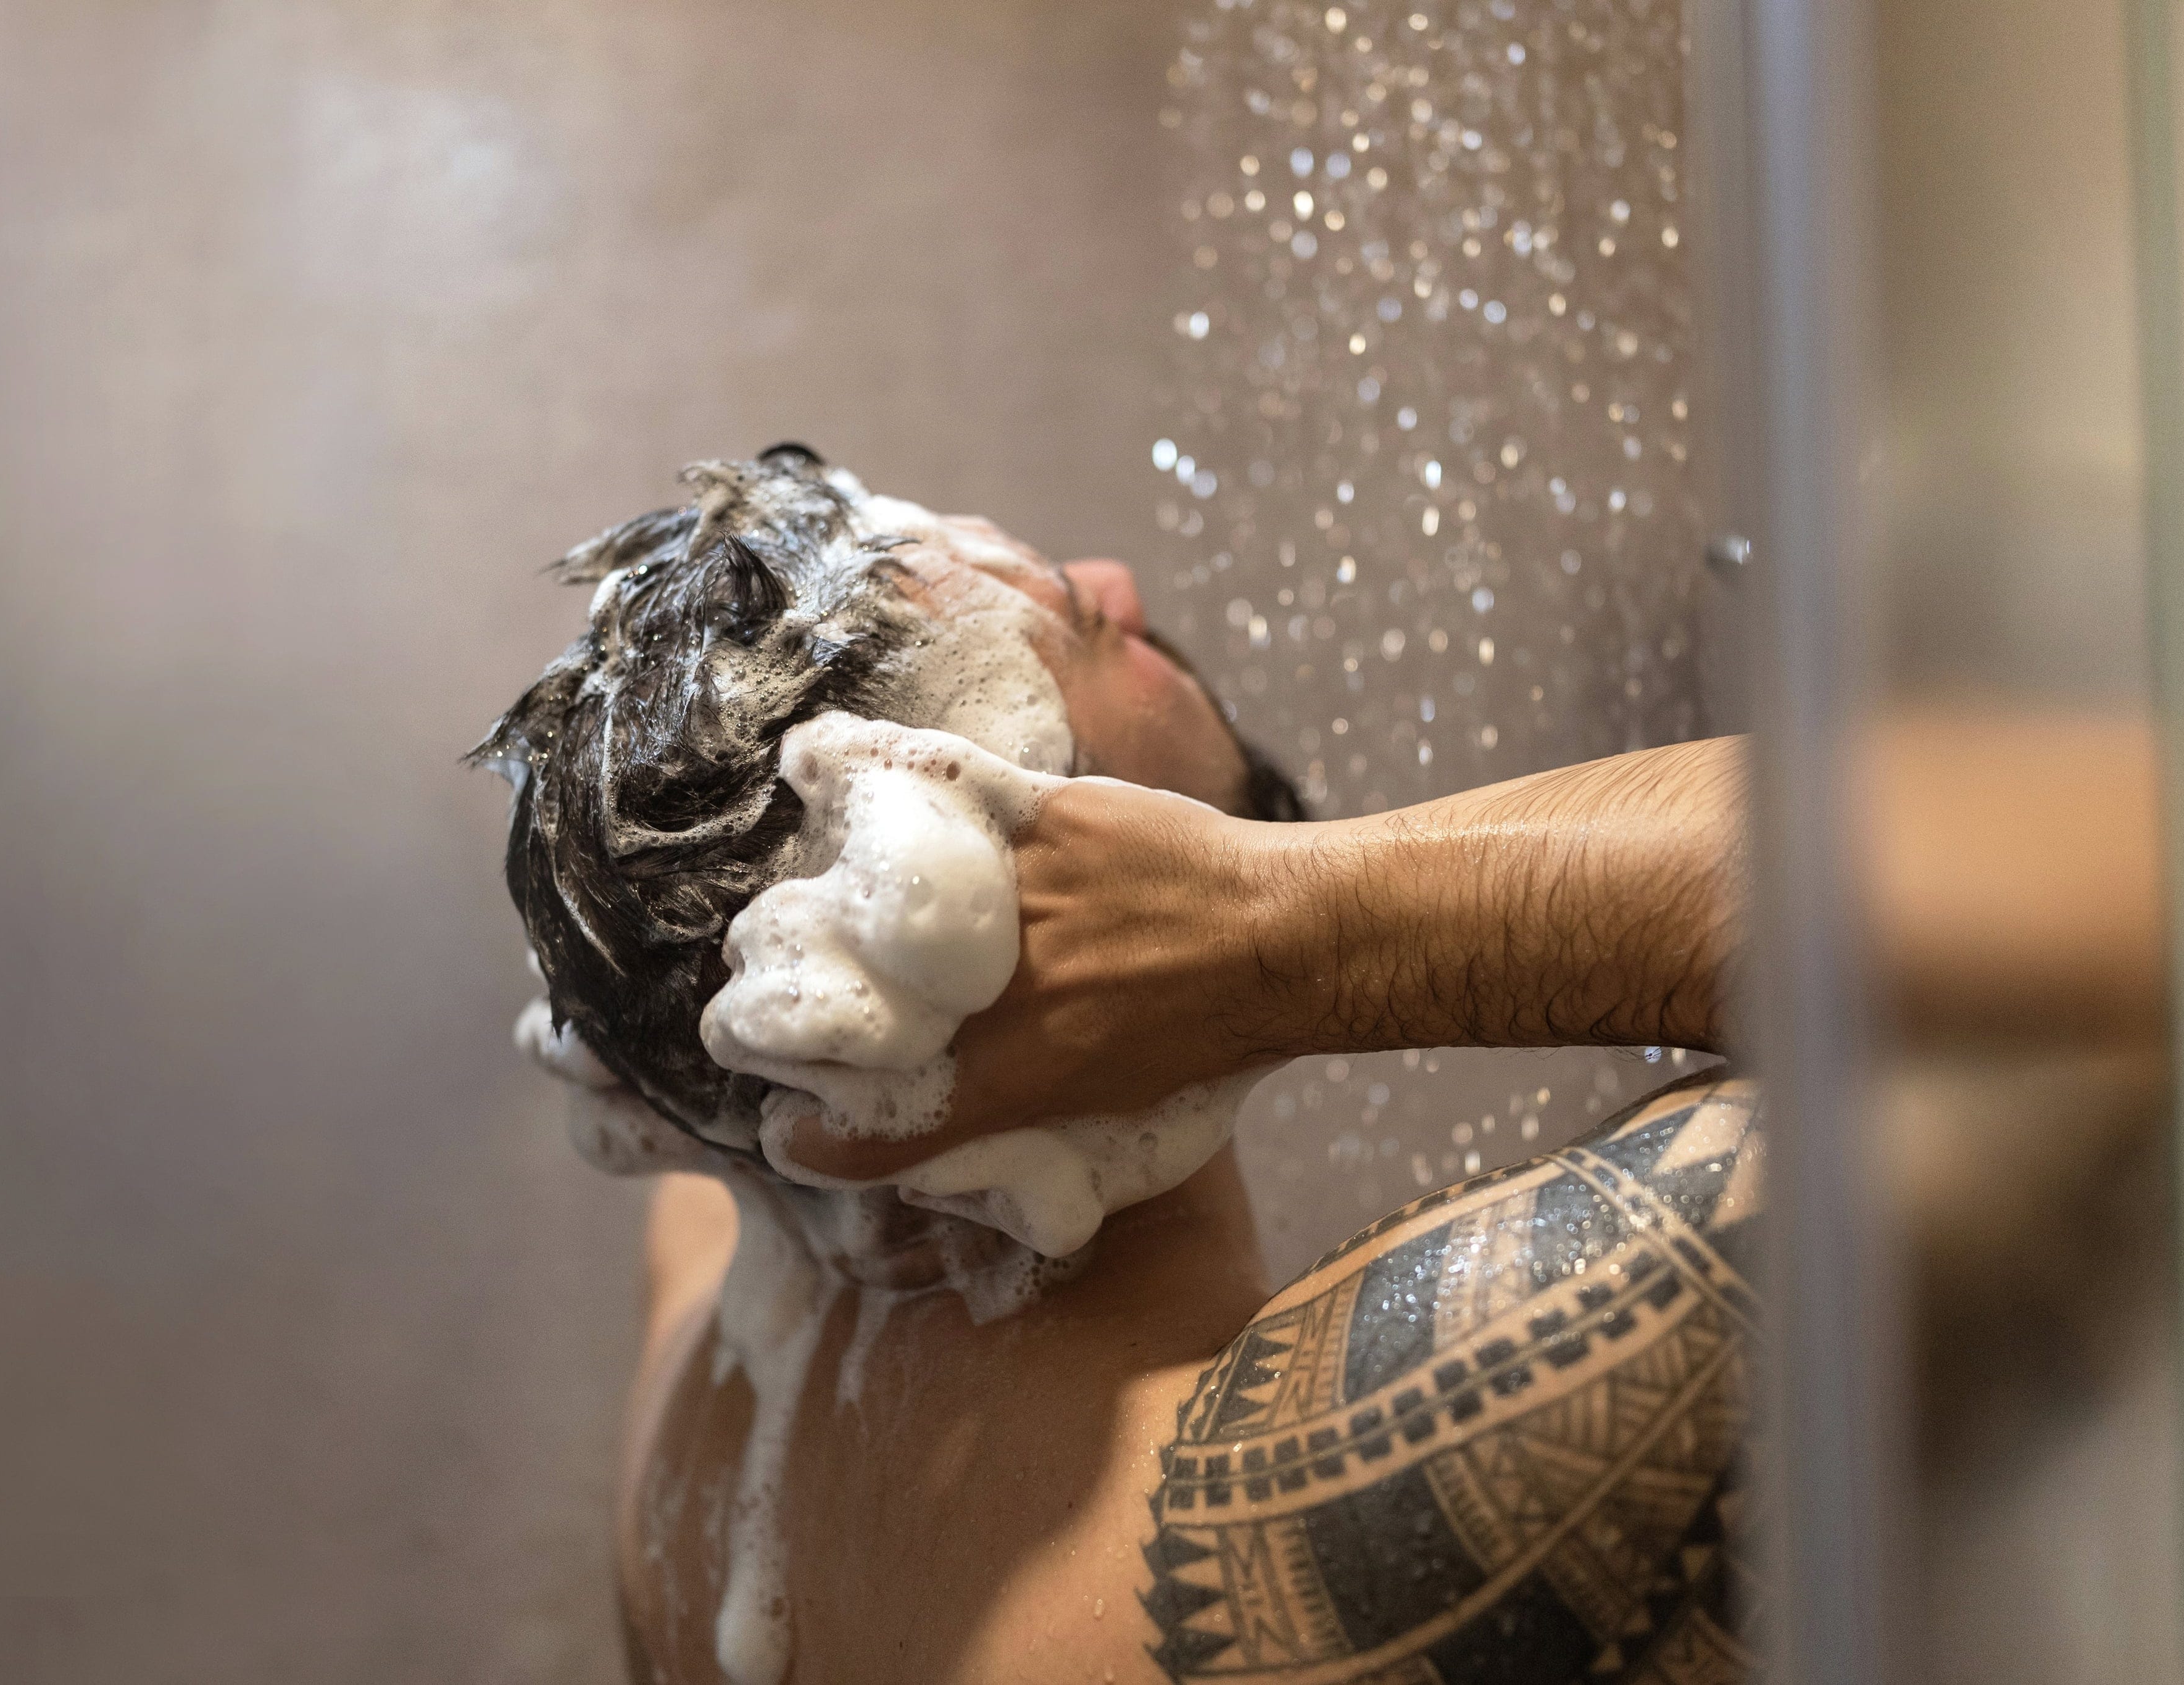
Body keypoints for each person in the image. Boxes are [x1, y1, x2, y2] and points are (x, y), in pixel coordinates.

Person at [481, 447, 1762, 1684]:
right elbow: (1882, 905)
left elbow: (711, 1012)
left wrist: (636, 992)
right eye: (1091, 627)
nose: (1125, 586)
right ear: (1042, 921)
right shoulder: (1291, 1517)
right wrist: (1280, 932)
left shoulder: (696, 1420)